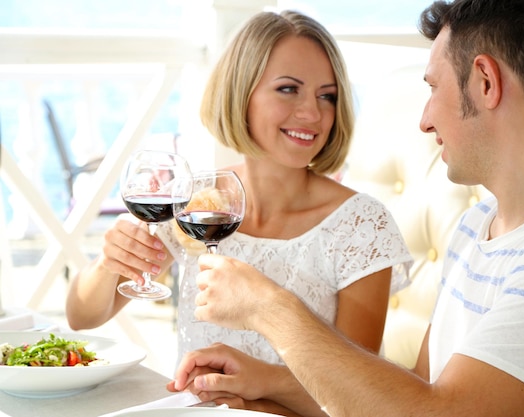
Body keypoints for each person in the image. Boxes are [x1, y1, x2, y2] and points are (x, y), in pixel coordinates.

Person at [169, 0, 524, 416]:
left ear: (486, 82)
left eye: (433, 88)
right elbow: (416, 390)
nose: (425, 119)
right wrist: (265, 381)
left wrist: (268, 308)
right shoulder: (478, 226)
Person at [65, 9, 413, 415]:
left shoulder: (361, 225)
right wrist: (109, 263)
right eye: (288, 89)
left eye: (327, 96)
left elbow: (359, 395)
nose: (312, 113)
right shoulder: (197, 202)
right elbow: (81, 316)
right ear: (239, 92)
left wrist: (259, 398)